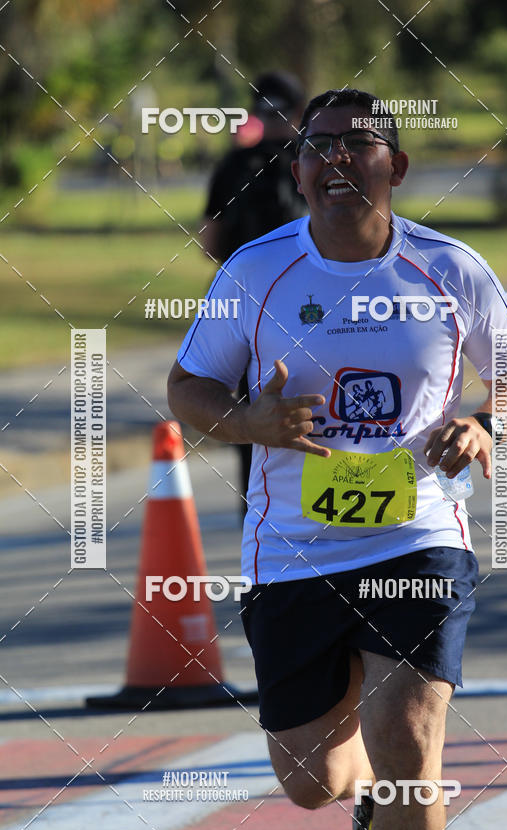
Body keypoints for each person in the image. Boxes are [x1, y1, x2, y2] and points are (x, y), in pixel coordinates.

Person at [168, 88, 507, 830]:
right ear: (299, 172)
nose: (337, 157)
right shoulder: (258, 271)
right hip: (292, 547)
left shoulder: (448, 269)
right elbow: (187, 387)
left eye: (360, 143)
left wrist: (487, 421)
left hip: (418, 536)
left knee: (410, 743)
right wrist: (250, 422)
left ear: (396, 167)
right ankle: (365, 786)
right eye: (318, 146)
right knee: (311, 780)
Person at [200, 71, 307, 515]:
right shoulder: (315, 158)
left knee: (248, 415)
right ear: (300, 110)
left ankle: (260, 511)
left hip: (246, 312)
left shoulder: (233, 166)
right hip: (313, 305)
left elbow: (209, 240)